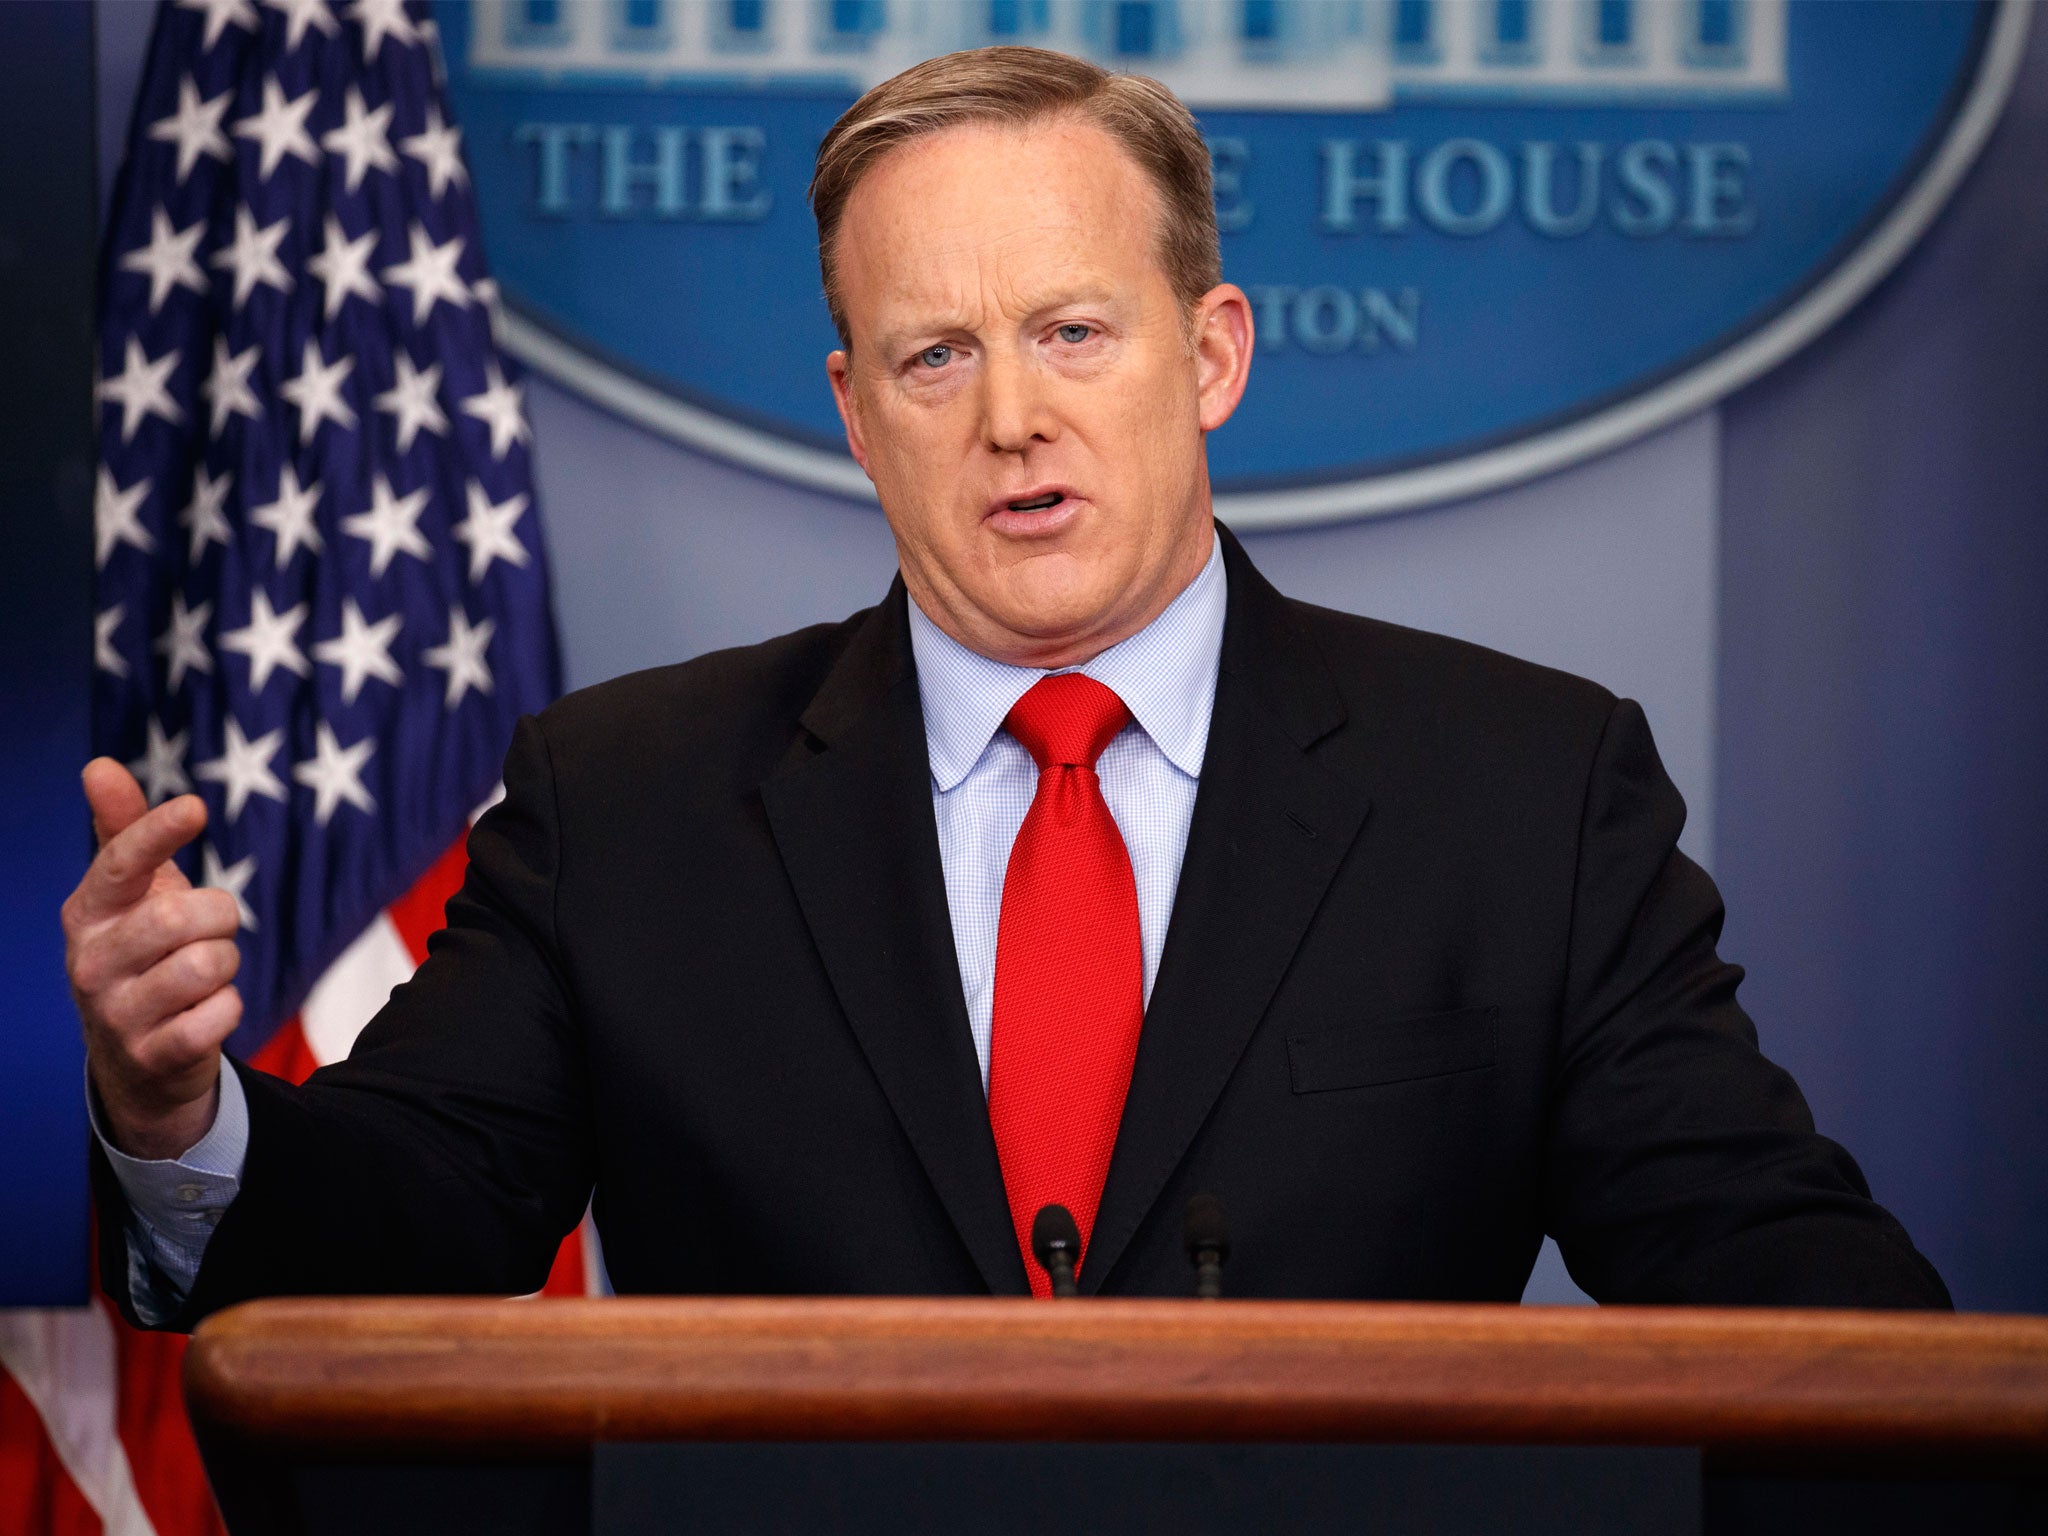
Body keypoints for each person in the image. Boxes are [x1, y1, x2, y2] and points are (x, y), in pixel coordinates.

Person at [65, 47, 1948, 1324]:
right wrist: (176, 1115)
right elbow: (403, 1224)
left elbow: (1771, 1274)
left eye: (1070, 332)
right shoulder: (625, 803)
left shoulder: (1521, 792)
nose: (1016, 419)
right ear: (855, 415)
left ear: (1209, 355)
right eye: (935, 356)